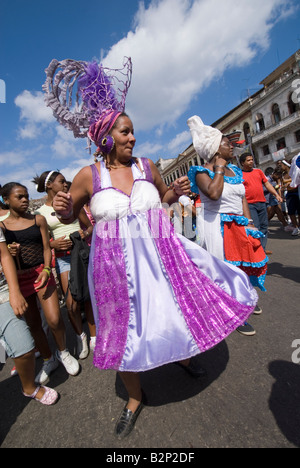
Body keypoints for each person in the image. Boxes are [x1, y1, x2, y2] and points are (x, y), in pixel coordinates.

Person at [45, 57, 258, 439]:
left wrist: (173, 192)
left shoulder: (146, 166)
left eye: (133, 132)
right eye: (125, 133)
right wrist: (65, 207)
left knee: (175, 311)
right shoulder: (87, 176)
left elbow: (163, 196)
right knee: (123, 331)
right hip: (111, 267)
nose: (133, 138)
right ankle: (134, 397)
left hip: (162, 257)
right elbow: (69, 209)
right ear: (106, 136)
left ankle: (185, 356)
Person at [187, 115, 267, 333]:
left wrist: (249, 223)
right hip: (216, 227)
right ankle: (234, 313)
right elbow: (213, 193)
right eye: (225, 142)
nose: (231, 145)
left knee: (242, 266)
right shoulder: (202, 172)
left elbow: (242, 197)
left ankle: (242, 301)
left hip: (238, 225)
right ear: (215, 149)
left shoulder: (236, 170)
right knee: (225, 271)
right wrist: (219, 168)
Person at [0, 182, 79, 385]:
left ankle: (63, 352)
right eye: (20, 197)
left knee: (53, 319)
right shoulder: (2, 226)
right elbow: (3, 256)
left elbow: (46, 248)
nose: (25, 200)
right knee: (34, 324)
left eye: (26, 196)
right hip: (19, 280)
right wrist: (10, 251)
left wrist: (45, 270)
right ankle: (48, 359)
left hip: (40, 274)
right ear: (6, 200)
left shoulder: (39, 219)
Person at [33, 171, 96, 356]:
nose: (66, 185)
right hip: (64, 258)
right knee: (72, 303)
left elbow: (90, 226)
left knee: (89, 296)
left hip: (82, 253)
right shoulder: (40, 213)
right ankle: (80, 336)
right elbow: (42, 244)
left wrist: (84, 234)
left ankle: (94, 337)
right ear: (50, 185)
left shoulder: (73, 202)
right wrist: (53, 244)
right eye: (61, 182)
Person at [0, 228, 59, 404]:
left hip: (3, 291)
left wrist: (14, 291)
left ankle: (28, 387)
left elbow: (4, 255)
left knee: (25, 347)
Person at [239, 152, 282, 253]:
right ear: (242, 163)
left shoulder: (258, 171)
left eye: (252, 160)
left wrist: (276, 194)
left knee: (264, 226)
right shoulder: (239, 174)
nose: (251, 162)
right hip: (249, 205)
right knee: (255, 227)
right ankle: (256, 250)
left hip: (262, 203)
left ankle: (262, 248)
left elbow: (267, 184)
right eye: (248, 160)